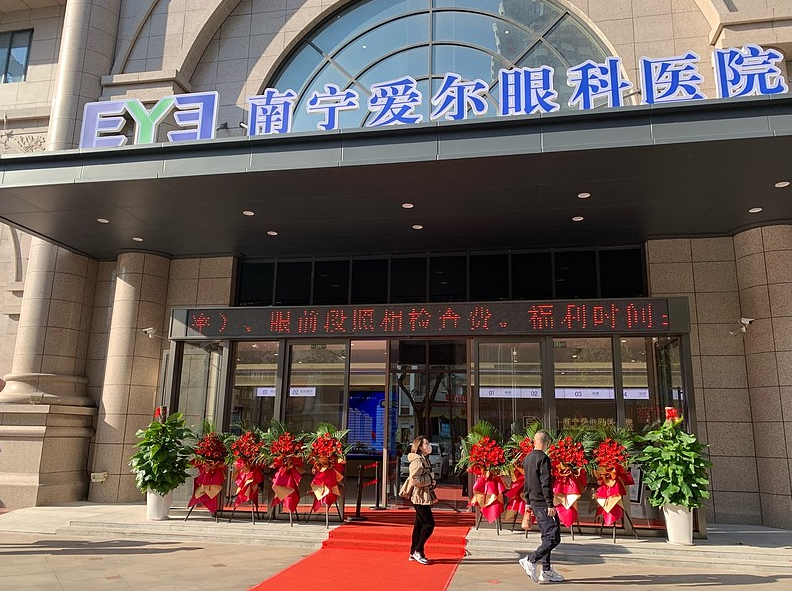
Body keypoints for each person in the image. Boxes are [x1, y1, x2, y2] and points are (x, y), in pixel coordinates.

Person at [519, 430, 564, 583]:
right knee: (553, 537)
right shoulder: (543, 458)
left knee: (546, 536)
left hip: (535, 501)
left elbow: (526, 482)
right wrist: (550, 504)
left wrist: (528, 502)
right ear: (547, 443)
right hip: (544, 503)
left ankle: (546, 570)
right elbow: (546, 483)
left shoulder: (527, 458)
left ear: (534, 441)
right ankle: (531, 559)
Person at [406, 435, 437, 565]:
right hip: (419, 497)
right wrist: (430, 478)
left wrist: (431, 480)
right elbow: (415, 479)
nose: (428, 446)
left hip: (423, 496)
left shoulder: (424, 459)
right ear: (420, 447)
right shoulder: (417, 461)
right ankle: (418, 550)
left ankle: (413, 551)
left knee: (418, 526)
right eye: (426, 444)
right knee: (429, 524)